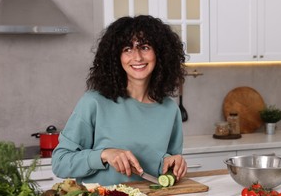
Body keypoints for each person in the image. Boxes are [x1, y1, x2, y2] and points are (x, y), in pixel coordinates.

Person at [52, 15, 187, 186]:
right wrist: (104, 155)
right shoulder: (94, 102)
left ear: (160, 53)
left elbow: (168, 166)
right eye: (127, 49)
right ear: (116, 57)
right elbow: (60, 163)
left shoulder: (169, 109)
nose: (137, 57)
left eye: (144, 47)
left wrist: (174, 164)